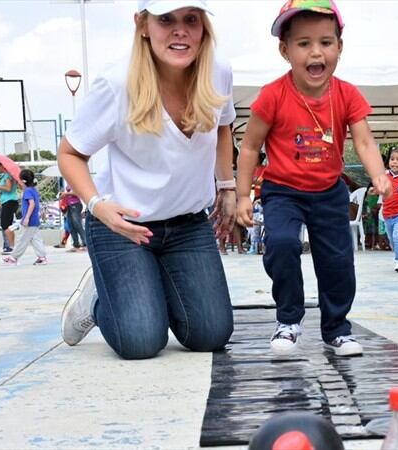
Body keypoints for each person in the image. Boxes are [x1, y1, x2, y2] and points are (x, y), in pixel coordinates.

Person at [57, 0, 235, 360]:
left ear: (204, 28)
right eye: (165, 19)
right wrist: (97, 206)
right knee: (140, 342)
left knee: (211, 334)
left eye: (191, 20)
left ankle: (143, 290)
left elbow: (223, 126)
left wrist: (227, 186)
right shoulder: (116, 83)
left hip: (187, 225)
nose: (180, 30)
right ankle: (97, 301)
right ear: (142, 24)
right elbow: (70, 153)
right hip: (122, 226)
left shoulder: (217, 71)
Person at [235, 0, 392, 357]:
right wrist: (244, 195)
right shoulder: (273, 95)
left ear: (339, 46)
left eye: (325, 42)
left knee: (337, 261)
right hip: (282, 191)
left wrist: (378, 175)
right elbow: (249, 147)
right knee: (283, 245)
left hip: (328, 191)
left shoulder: (347, 94)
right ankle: (288, 320)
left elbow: (364, 140)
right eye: (304, 43)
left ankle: (337, 328)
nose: (315, 52)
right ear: (285, 50)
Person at [2, 169, 47, 266]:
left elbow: (32, 204)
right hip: (34, 220)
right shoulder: (33, 190)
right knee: (36, 239)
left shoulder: (27, 192)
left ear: (22, 181)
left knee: (22, 239)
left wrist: (26, 218)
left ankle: (14, 257)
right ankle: (42, 257)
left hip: (29, 221)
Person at [0, 161, 19, 254]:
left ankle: (11, 246)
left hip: (9, 202)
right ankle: (10, 246)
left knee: (5, 225)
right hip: (8, 201)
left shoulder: (7, 175)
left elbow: (8, 188)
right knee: (8, 225)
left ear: (2, 166)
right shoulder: (6, 175)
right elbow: (5, 189)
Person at [60, 184, 86, 251]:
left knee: (77, 224)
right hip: (69, 206)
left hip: (75, 205)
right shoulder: (68, 182)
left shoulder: (74, 182)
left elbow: (77, 193)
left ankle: (85, 243)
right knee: (71, 226)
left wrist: (66, 194)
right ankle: (76, 244)